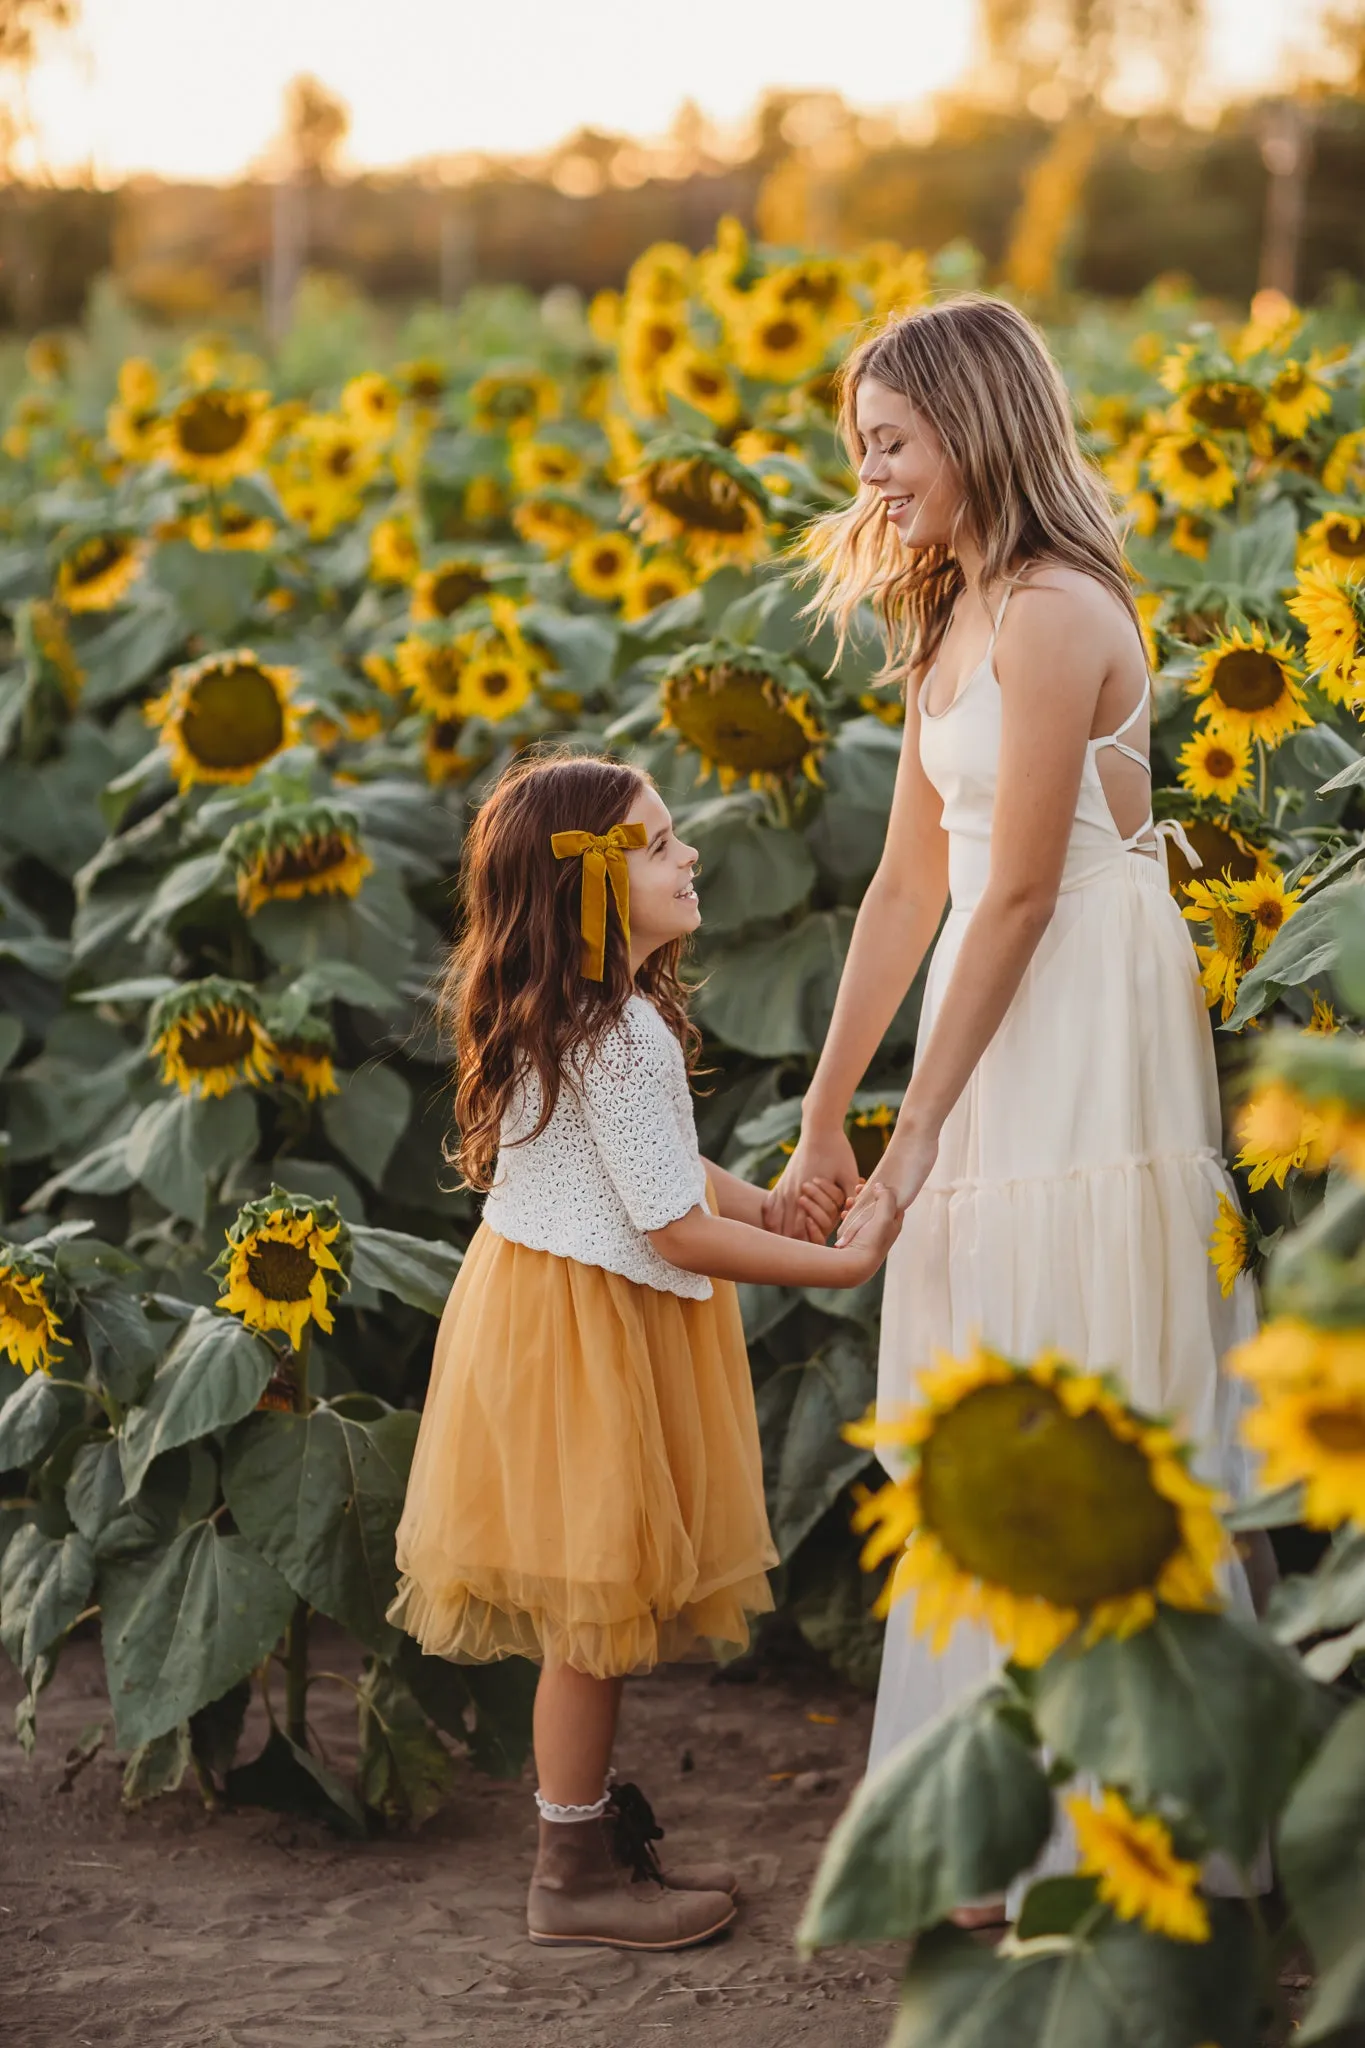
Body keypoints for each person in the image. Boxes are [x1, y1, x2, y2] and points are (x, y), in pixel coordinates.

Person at [768, 296, 1267, 1865]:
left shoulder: (1056, 610)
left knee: (1087, 1371)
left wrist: (917, 1131)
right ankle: (1003, 1824)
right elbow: (910, 887)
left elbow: (1027, 888)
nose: (875, 476)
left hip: (1078, 1016)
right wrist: (828, 1102)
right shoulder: (949, 618)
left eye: (893, 442)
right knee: (990, 1378)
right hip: (987, 1009)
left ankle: (1126, 1829)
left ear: (974, 427)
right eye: (865, 448)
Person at [387, 750, 902, 1954]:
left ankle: (587, 1842)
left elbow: (663, 1169)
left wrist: (765, 1205)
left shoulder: (577, 1015)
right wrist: (840, 1262)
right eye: (661, 842)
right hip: (589, 1334)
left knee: (595, 1611)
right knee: (594, 1615)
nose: (690, 854)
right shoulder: (617, 1033)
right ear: (593, 887)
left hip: (550, 1312)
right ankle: (568, 1874)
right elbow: (669, 1221)